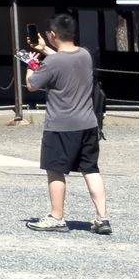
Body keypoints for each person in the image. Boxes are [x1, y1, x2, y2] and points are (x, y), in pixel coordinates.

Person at [25, 14, 110, 234]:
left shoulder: (52, 62)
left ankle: (56, 216)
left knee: (55, 170)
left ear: (52, 34)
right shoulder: (85, 55)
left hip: (60, 125)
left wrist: (29, 64)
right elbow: (64, 60)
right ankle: (102, 217)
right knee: (90, 169)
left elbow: (32, 84)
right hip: (88, 123)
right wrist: (45, 49)